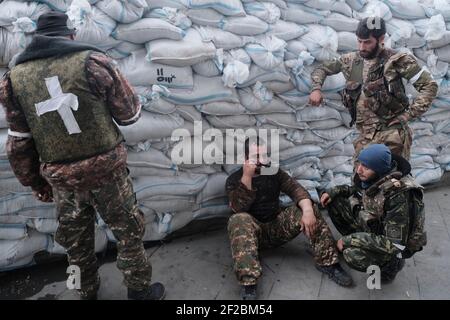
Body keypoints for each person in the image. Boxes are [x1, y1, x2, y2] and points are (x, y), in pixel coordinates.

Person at [0, 12, 165, 300]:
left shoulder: (14, 80)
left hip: (62, 180)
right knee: (128, 231)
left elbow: (19, 141)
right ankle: (139, 291)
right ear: (71, 35)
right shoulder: (94, 62)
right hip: (108, 173)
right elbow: (128, 115)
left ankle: (84, 291)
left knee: (75, 244)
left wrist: (35, 183)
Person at [226, 137, 353, 300]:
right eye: (255, 156)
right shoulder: (233, 180)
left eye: (263, 156)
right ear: (245, 158)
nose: (260, 161)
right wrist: (247, 177)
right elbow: (238, 208)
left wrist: (307, 210)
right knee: (238, 219)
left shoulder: (273, 172)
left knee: (309, 209)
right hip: (250, 236)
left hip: (276, 227)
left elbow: (295, 189)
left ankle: (329, 262)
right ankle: (249, 284)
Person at [309, 17, 438, 160]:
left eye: (367, 42)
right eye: (359, 41)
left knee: (392, 179)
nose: (362, 47)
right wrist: (316, 89)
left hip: (391, 135)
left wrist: (408, 115)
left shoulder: (396, 60)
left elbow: (429, 86)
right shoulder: (353, 61)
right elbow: (321, 69)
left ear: (381, 38)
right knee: (361, 179)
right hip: (365, 136)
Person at [320, 144, 426, 283]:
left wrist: (348, 240)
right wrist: (333, 191)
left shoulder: (398, 197)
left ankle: (390, 266)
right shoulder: (372, 176)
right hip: (372, 226)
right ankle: (357, 241)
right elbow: (357, 191)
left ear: (379, 169)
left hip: (391, 244)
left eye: (366, 167)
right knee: (335, 201)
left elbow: (394, 244)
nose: (359, 170)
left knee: (352, 255)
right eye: (360, 163)